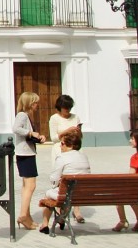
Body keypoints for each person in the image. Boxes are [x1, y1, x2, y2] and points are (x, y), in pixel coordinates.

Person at [38, 127, 91, 234]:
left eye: (62, 144)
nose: (60, 146)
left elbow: (54, 179)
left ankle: (44, 224)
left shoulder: (62, 157)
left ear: (70, 145)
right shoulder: (84, 156)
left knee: (49, 194)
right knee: (66, 194)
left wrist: (55, 184)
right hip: (83, 194)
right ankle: (61, 219)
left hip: (67, 194)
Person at [13, 92, 47, 229]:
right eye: (35, 102)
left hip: (26, 153)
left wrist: (38, 137)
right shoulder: (22, 115)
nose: (37, 105)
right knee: (31, 185)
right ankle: (22, 215)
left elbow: (28, 134)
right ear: (30, 103)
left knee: (26, 186)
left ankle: (27, 216)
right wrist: (30, 133)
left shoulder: (27, 116)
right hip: (25, 154)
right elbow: (16, 129)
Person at [48, 94, 84, 222]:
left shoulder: (76, 117)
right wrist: (67, 131)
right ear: (60, 107)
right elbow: (53, 138)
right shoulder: (54, 118)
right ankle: (60, 209)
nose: (67, 110)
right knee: (60, 179)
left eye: (69, 107)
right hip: (60, 150)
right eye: (65, 107)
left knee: (76, 178)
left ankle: (77, 210)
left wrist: (78, 132)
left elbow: (80, 136)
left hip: (74, 150)